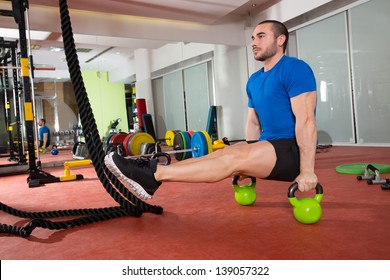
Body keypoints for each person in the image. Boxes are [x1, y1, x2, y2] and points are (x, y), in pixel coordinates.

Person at [104, 20, 318, 201]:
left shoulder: (294, 68)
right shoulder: (255, 80)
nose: (254, 42)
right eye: (252, 38)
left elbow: (306, 120)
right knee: (227, 152)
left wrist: (307, 170)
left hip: (291, 151)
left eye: (261, 36)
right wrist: (249, 159)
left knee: (233, 158)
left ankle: (153, 174)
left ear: (280, 40)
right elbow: (253, 122)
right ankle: (151, 176)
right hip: (267, 147)